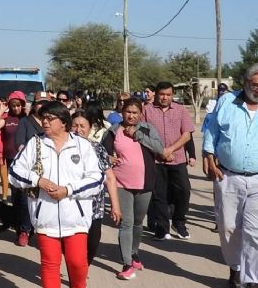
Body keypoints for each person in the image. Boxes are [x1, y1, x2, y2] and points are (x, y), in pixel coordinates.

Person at [10, 101, 103, 288]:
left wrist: (68, 190)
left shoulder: (82, 146)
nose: (45, 122)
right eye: (42, 117)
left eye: (50, 118)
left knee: (77, 263)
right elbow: (14, 172)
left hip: (76, 220)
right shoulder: (35, 143)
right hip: (46, 219)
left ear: (63, 122)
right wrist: (38, 181)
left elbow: (97, 180)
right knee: (50, 265)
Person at [203, 64, 258, 288]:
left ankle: (251, 279)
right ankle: (235, 268)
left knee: (255, 231)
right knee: (228, 227)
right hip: (227, 176)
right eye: (255, 85)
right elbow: (211, 129)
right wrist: (208, 154)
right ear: (245, 83)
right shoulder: (227, 102)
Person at [101, 98, 165, 281]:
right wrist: (108, 158)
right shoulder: (113, 131)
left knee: (138, 223)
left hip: (145, 183)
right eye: (128, 112)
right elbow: (101, 153)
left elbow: (160, 148)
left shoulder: (147, 129)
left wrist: (138, 135)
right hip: (121, 183)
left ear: (140, 113)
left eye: (135, 112)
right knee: (126, 223)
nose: (131, 115)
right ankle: (127, 263)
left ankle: (134, 253)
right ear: (122, 112)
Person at [144, 81, 194, 241]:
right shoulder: (146, 110)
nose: (165, 97)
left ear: (172, 95)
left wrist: (170, 150)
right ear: (156, 94)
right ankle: (162, 227)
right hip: (156, 161)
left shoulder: (180, 110)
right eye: (162, 94)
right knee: (159, 195)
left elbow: (187, 134)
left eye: (168, 95)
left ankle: (179, 222)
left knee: (184, 191)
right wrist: (160, 151)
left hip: (177, 159)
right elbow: (142, 134)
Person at [71, 110, 121, 266]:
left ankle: (84, 266)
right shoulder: (64, 148)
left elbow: (110, 178)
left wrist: (115, 206)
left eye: (82, 126)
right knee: (72, 247)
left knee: (92, 243)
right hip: (70, 206)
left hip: (95, 208)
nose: (78, 129)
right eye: (74, 125)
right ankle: (77, 272)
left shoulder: (98, 149)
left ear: (90, 127)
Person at [0, 90, 32, 246]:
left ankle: (25, 229)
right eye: (13, 105)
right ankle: (19, 227)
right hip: (11, 161)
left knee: (25, 198)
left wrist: (27, 112)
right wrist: (1, 111)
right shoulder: (7, 119)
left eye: (18, 105)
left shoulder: (27, 120)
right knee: (15, 196)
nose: (15, 108)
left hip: (27, 163)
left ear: (23, 104)